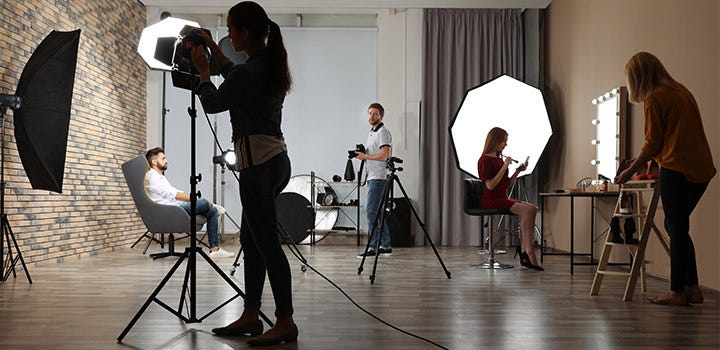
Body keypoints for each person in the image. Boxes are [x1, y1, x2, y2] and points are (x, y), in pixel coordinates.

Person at [189, 1, 296, 345]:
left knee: (266, 245)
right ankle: (251, 314)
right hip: (274, 160)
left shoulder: (253, 71)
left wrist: (203, 72)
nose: (229, 37)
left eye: (232, 30)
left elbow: (214, 102)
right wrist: (208, 43)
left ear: (245, 32)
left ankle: (285, 321)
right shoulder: (263, 64)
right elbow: (233, 75)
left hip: (259, 168)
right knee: (252, 242)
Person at [615, 51, 716, 306]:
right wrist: (649, 160)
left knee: (677, 227)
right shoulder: (683, 92)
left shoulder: (655, 98)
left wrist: (629, 171)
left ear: (638, 76)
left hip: (677, 169)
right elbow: (676, 137)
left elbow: (652, 143)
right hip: (701, 169)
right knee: (677, 227)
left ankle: (677, 291)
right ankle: (693, 288)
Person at [144, 147, 234, 258]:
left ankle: (214, 249)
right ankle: (210, 203)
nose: (166, 161)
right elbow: (173, 195)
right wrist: (192, 200)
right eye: (163, 158)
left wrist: (190, 200)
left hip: (175, 208)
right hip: (169, 212)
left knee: (212, 211)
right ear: (154, 161)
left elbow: (175, 191)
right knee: (204, 203)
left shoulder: (159, 176)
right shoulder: (152, 177)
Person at [477, 127, 544, 271]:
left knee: (533, 208)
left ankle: (524, 248)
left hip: (501, 197)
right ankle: (529, 252)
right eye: (504, 141)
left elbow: (506, 185)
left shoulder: (499, 160)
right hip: (491, 199)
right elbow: (490, 185)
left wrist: (517, 171)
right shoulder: (484, 160)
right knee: (527, 211)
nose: (505, 145)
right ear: (495, 141)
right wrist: (505, 166)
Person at [355, 102, 393, 258]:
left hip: (379, 177)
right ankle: (385, 245)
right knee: (376, 212)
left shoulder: (383, 132)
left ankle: (372, 247)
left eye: (375, 114)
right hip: (372, 177)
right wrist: (362, 153)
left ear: (381, 115)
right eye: (370, 113)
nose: (372, 116)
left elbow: (385, 155)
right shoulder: (372, 132)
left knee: (371, 212)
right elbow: (374, 153)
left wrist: (366, 156)